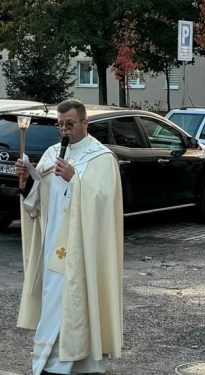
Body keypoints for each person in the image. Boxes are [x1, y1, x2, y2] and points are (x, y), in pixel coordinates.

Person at [15, 99, 123, 374]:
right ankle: (51, 362)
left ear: (85, 124)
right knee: (54, 299)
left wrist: (75, 179)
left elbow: (103, 201)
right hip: (54, 243)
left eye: (70, 124)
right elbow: (38, 203)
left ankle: (82, 360)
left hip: (83, 247)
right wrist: (27, 181)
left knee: (78, 299)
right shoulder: (52, 154)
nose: (64, 130)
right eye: (60, 125)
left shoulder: (101, 158)